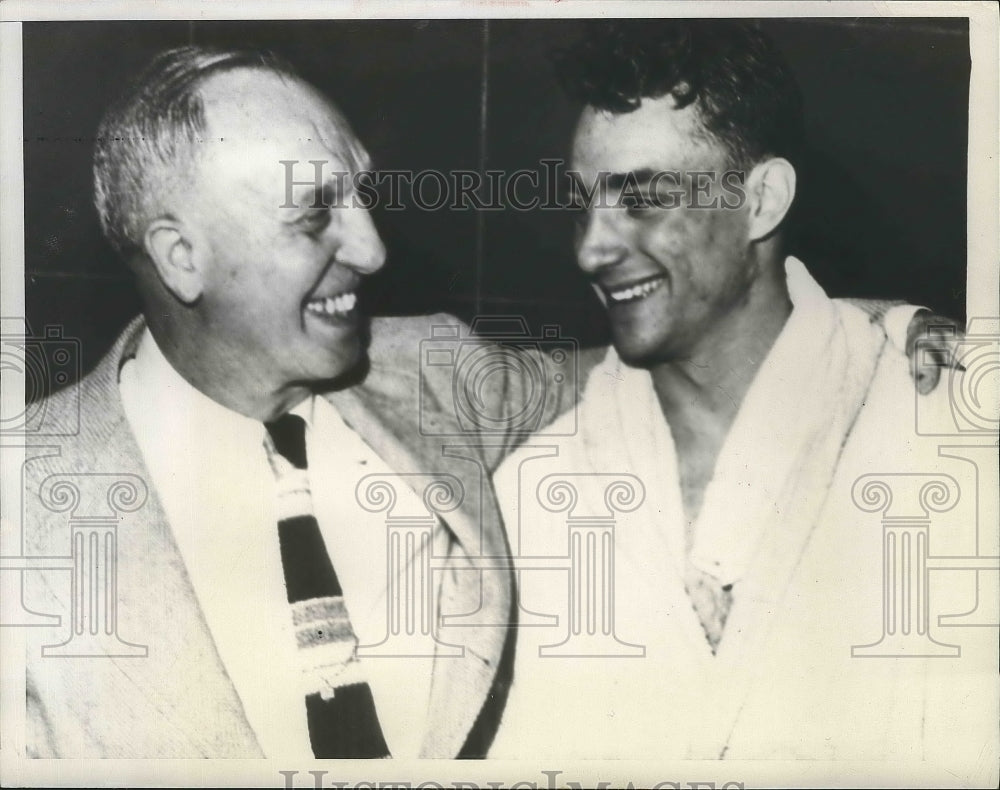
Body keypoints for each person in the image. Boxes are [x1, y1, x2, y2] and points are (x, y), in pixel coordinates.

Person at [490, 20, 996, 773]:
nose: (591, 249)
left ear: (762, 200)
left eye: (643, 200)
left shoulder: (954, 447)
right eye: (584, 204)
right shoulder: (531, 487)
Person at [20, 45, 541, 759]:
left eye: (362, 197)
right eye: (314, 215)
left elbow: (653, 379)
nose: (373, 248)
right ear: (181, 257)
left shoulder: (441, 369)